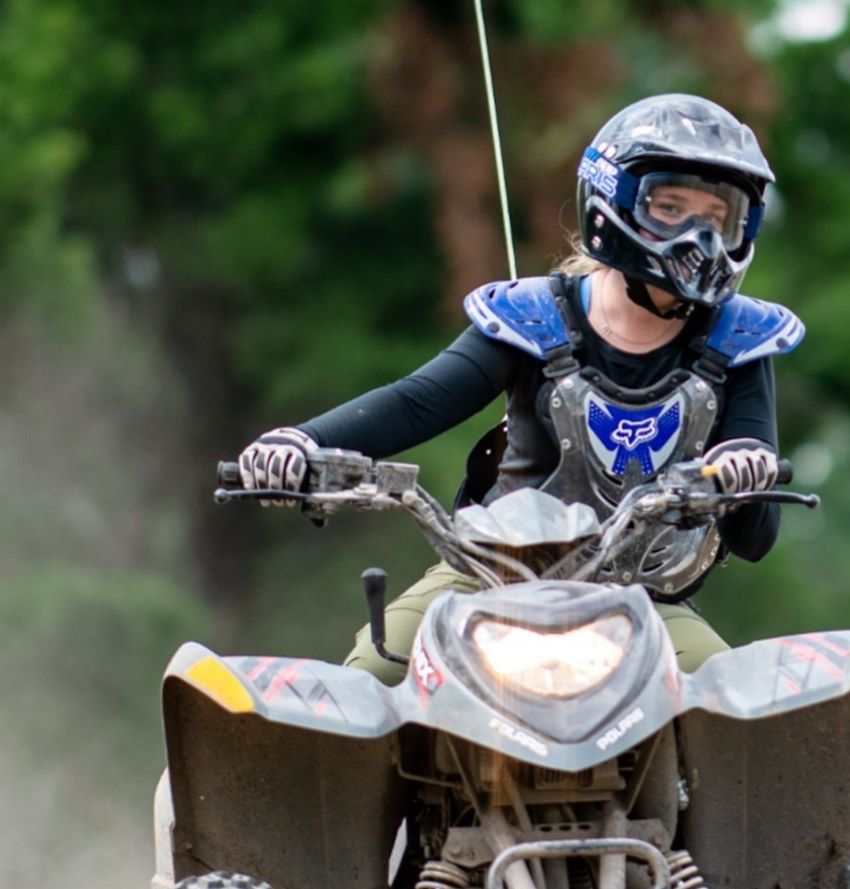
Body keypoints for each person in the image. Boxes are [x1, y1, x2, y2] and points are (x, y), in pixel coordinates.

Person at [235, 93, 803, 682]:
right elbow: (417, 402)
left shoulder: (742, 340)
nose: (698, 236)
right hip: (487, 579)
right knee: (369, 677)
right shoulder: (531, 317)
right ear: (615, 202)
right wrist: (296, 443)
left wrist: (744, 477)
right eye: (670, 207)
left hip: (644, 600)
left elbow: (757, 538)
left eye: (717, 217)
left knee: (725, 704)